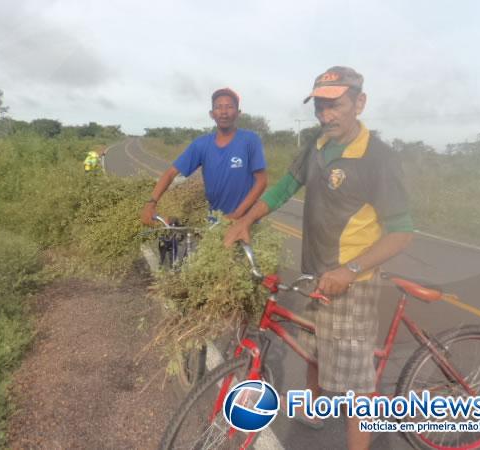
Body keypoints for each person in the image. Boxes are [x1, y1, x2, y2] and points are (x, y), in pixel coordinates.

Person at [224, 67, 414, 450]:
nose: (326, 115)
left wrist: (351, 269)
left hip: (351, 287)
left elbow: (402, 231)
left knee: (358, 387)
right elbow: (284, 187)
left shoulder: (378, 158)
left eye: (335, 105)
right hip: (315, 275)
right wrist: (245, 220)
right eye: (320, 107)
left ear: (359, 103)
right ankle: (312, 410)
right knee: (313, 351)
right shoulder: (316, 144)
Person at [140, 88, 267, 224]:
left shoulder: (250, 140)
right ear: (212, 114)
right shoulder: (201, 144)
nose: (224, 112)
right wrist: (151, 203)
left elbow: (261, 182)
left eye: (229, 107)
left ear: (238, 113)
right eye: (219, 107)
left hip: (245, 221)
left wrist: (236, 215)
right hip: (215, 221)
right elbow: (171, 173)